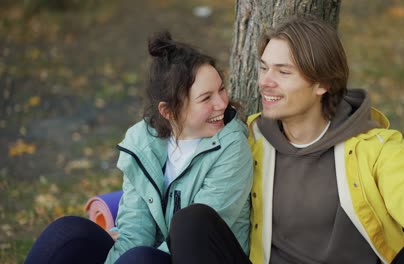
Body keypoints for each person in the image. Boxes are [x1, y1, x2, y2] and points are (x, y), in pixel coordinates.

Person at [160, 16, 404, 264]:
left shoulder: (369, 145)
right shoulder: (249, 140)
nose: (265, 82)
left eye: (283, 72)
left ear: (322, 83)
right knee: (192, 222)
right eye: (264, 68)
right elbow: (187, 166)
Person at [25, 30, 253, 264]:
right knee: (66, 234)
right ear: (169, 112)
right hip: (147, 258)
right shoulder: (142, 143)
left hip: (203, 257)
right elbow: (134, 232)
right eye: (206, 98)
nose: (222, 103)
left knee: (141, 257)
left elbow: (194, 239)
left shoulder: (232, 148)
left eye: (221, 89)